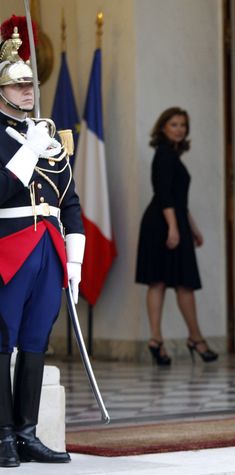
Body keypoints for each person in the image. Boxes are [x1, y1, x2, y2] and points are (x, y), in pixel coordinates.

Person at [0, 25, 80, 466]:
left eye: (30, 83)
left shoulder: (49, 136)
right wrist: (27, 151)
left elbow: (70, 200)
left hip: (49, 249)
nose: (27, 90)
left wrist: (76, 259)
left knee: (35, 340)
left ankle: (27, 433)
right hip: (8, 246)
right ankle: (2, 436)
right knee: (2, 339)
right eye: (17, 83)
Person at [135, 107, 217, 365]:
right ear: (163, 128)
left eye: (183, 124)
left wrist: (191, 228)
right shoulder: (164, 155)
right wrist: (173, 228)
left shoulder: (170, 155)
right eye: (174, 124)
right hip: (162, 223)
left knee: (174, 282)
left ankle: (164, 340)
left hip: (171, 220)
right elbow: (164, 196)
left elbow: (179, 199)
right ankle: (186, 339)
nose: (179, 129)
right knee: (170, 282)